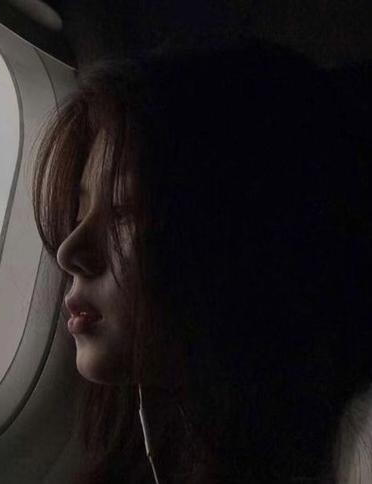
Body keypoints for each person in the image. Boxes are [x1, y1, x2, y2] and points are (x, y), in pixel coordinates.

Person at [33, 42, 372, 483]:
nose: (69, 251)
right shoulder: (172, 441)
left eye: (124, 209)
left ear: (239, 232)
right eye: (80, 214)